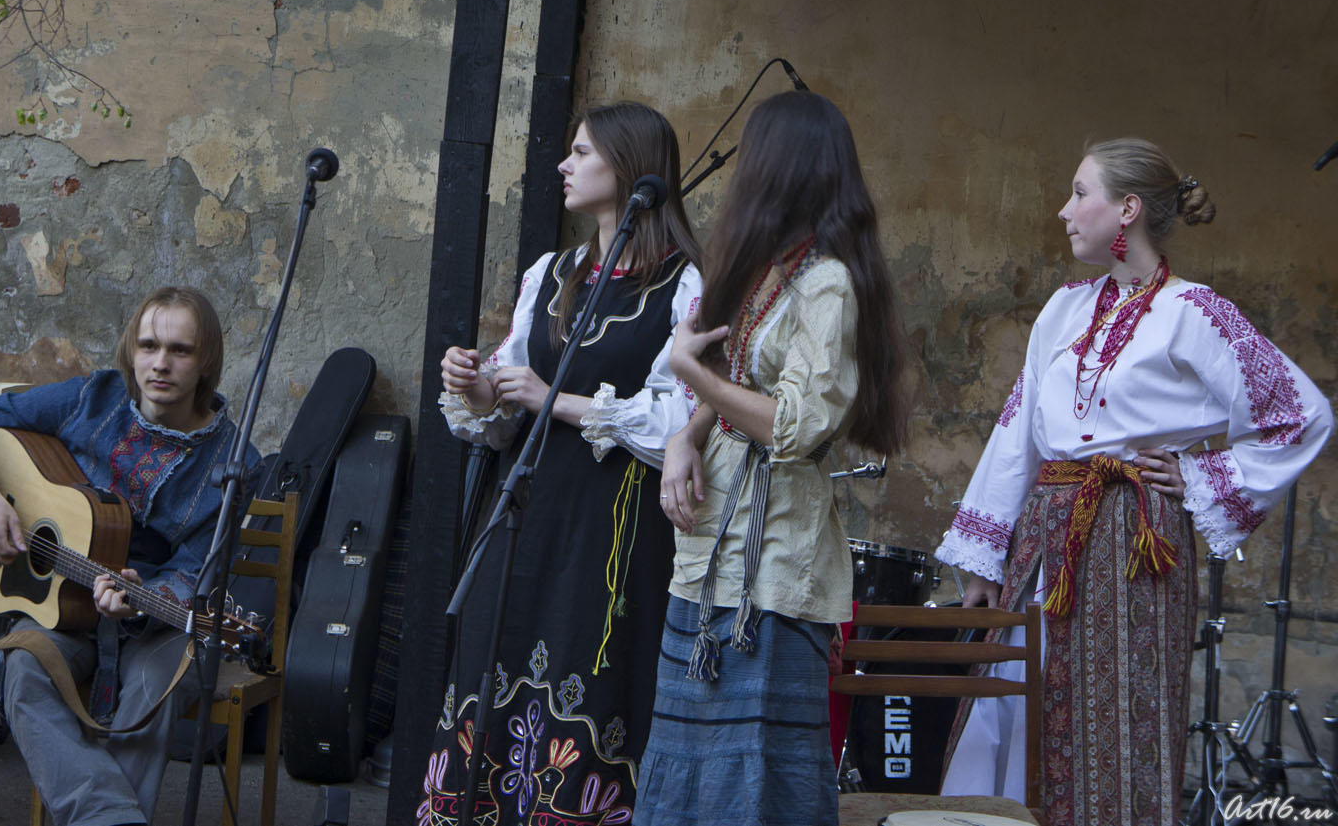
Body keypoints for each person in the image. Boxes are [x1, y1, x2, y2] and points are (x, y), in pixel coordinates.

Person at [934, 138, 1333, 826]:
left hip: (1132, 541)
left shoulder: (1195, 312)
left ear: (1128, 208)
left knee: (1119, 718)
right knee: (1010, 704)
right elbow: (1018, 428)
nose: (1065, 209)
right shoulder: (1063, 310)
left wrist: (1201, 474)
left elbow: (1301, 414)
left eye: (1080, 191)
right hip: (1047, 535)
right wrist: (984, 554)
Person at [419, 102, 704, 825]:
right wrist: (479, 386)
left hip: (613, 530)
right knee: (492, 667)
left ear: (630, 169)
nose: (563, 165)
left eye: (581, 153)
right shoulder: (553, 270)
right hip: (527, 513)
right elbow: (505, 404)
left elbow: (682, 418)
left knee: (592, 684)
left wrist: (557, 398)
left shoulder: (686, 284)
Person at [634, 89, 908, 826]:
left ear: (777, 168)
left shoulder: (826, 283)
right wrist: (682, 437)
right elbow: (734, 389)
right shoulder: (763, 272)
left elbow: (796, 425)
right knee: (686, 759)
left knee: (758, 774)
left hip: (776, 560)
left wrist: (698, 379)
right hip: (708, 551)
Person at [0, 286, 259, 826]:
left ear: (207, 363)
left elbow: (199, 569)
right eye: (148, 346)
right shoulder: (91, 399)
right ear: (131, 350)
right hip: (66, 615)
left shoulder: (235, 462)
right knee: (25, 669)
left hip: (155, 626)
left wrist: (147, 600)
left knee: (155, 691)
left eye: (181, 350)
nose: (161, 364)